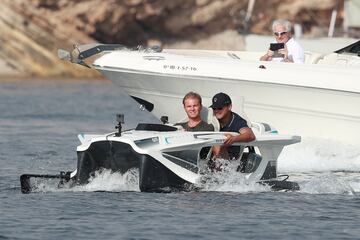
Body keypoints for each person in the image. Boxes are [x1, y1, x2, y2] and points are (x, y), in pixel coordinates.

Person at [210, 92, 255, 159]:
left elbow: (250, 135)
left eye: (220, 108)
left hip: (231, 160)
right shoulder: (212, 119)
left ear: (229, 107)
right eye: (214, 108)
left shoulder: (237, 121)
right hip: (211, 158)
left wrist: (233, 139)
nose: (216, 111)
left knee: (218, 146)